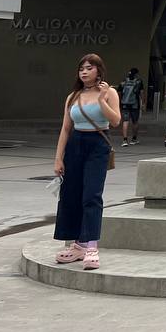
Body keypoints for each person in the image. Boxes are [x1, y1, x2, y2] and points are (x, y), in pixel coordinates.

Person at [52, 53, 121, 271]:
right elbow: (65, 129)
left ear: (99, 70)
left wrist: (101, 100)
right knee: (71, 194)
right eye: (81, 68)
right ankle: (78, 245)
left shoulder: (109, 93)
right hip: (75, 144)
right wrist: (58, 157)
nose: (84, 72)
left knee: (92, 195)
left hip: (97, 144)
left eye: (89, 68)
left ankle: (92, 246)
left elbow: (116, 121)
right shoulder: (73, 96)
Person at [118, 67, 144, 146]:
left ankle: (125, 140)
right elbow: (142, 93)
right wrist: (143, 103)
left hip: (124, 104)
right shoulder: (139, 82)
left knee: (125, 121)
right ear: (136, 74)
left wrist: (120, 101)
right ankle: (134, 139)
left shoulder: (123, 81)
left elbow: (119, 92)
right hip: (134, 105)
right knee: (135, 121)